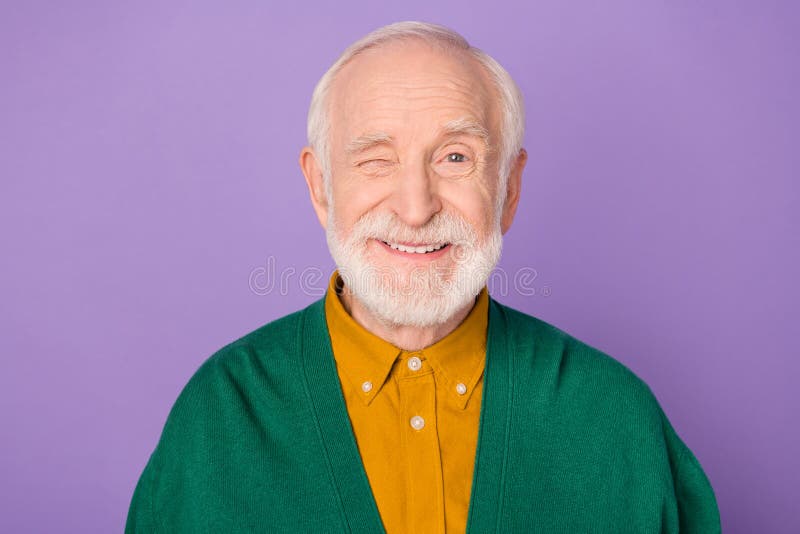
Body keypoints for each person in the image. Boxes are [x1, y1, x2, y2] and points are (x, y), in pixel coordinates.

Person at [126, 21, 721, 533]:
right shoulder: (218, 416)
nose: (416, 208)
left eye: (455, 157)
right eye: (376, 160)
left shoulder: (613, 417)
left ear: (508, 189)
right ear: (320, 188)